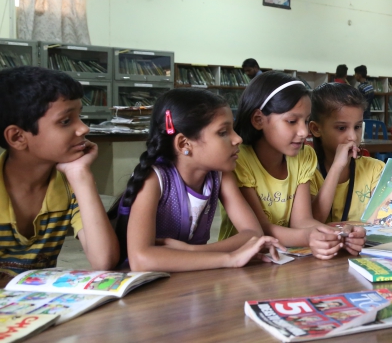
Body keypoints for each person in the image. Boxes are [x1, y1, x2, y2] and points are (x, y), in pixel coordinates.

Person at [112, 89, 280, 272]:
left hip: (192, 279)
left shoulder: (220, 174)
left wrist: (194, 251)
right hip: (148, 288)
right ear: (184, 144)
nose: (237, 138)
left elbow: (252, 233)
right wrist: (229, 258)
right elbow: (141, 260)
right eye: (223, 132)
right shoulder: (154, 180)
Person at [0, 67, 118, 282]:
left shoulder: (71, 184)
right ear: (17, 137)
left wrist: (81, 175)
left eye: (80, 116)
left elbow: (104, 260)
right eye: (65, 121)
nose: (84, 129)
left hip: (39, 305)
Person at [221, 71, 366, 259]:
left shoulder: (303, 156)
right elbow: (261, 229)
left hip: (285, 258)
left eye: (305, 121)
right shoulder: (239, 160)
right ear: (258, 120)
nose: (304, 131)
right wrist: (311, 237)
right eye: (292, 121)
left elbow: (303, 220)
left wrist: (341, 235)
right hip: (246, 261)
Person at [308, 83, 385, 223]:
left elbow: (382, 221)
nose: (353, 137)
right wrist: (336, 168)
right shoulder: (306, 172)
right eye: (342, 128)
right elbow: (312, 221)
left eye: (357, 127)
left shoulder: (375, 169)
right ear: (316, 129)